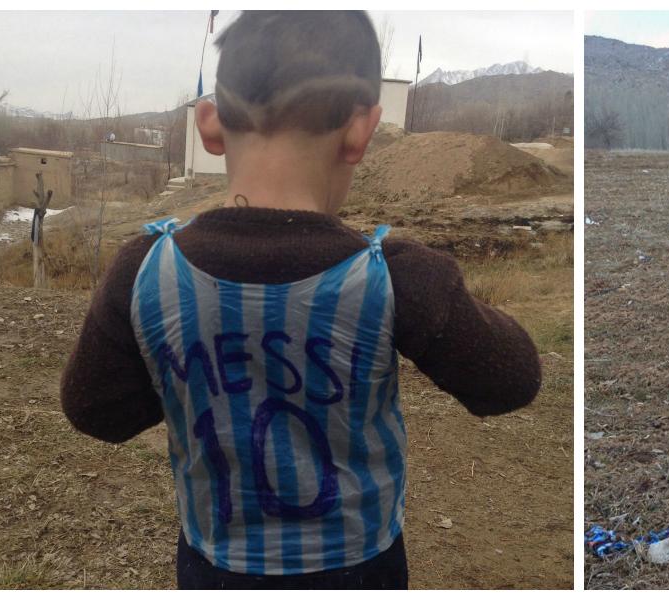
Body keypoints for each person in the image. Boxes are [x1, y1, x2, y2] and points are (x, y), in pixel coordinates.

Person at [61, 11, 541, 589]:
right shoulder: (398, 277)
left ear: (210, 125)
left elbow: (96, 412)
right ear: (362, 130)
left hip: (214, 569)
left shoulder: (143, 270)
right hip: (361, 570)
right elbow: (512, 381)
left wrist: (196, 371)